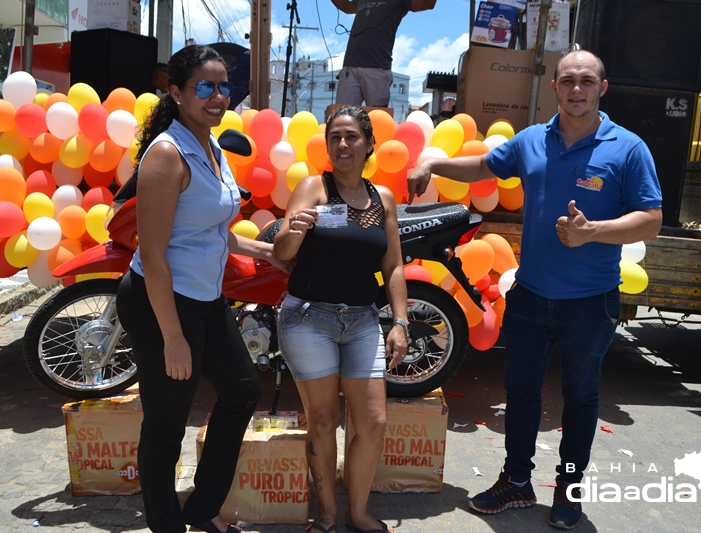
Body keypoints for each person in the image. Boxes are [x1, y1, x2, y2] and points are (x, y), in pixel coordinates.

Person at [407, 50, 663, 529]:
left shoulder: (627, 148)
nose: (577, 89)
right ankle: (517, 482)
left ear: (602, 88)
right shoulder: (531, 142)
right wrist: (436, 164)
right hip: (530, 295)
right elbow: (483, 166)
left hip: (590, 301)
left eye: (587, 81)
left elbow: (651, 219)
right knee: (521, 391)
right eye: (568, 80)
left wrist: (594, 231)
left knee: (582, 397)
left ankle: (569, 489)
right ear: (555, 88)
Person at [116, 45, 286, 533]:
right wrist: (172, 337)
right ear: (176, 92)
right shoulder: (168, 155)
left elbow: (210, 230)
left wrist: (264, 253)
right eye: (204, 87)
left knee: (241, 391)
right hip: (160, 304)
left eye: (224, 86)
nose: (217, 96)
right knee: (166, 426)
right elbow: (153, 253)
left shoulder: (211, 147)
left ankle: (201, 507)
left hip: (207, 298)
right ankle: (167, 525)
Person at [273, 105, 408, 533]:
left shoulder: (382, 198)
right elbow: (281, 253)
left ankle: (358, 511)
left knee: (372, 421)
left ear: (369, 144)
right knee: (325, 419)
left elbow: (394, 267)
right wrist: (295, 227)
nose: (343, 145)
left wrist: (400, 321)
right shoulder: (313, 187)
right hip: (309, 319)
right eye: (335, 137)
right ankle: (328, 511)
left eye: (352, 137)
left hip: (364, 320)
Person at [332, 0, 436, 107]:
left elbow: (427, 4)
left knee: (378, 119)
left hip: (377, 68)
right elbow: (346, 6)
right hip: (350, 68)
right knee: (342, 117)